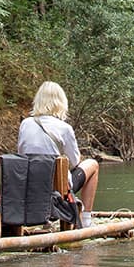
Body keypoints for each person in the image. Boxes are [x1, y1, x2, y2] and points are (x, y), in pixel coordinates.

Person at [17, 81, 99, 214]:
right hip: (57, 186)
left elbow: (21, 154)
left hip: (29, 184)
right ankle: (86, 218)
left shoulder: (25, 124)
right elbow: (74, 162)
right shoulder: (64, 128)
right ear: (61, 103)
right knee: (93, 165)